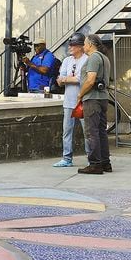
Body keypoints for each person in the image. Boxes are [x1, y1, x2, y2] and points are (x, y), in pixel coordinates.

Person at [77, 33, 111, 174]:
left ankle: (95, 164)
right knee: (101, 131)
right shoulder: (104, 58)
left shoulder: (93, 58)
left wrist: (80, 94)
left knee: (91, 132)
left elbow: (90, 80)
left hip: (92, 98)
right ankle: (105, 162)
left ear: (90, 45)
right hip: (103, 98)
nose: (83, 46)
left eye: (84, 44)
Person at [53, 33, 88, 167]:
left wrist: (66, 79)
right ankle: (66, 158)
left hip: (82, 101)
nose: (70, 47)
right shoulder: (67, 60)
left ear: (80, 46)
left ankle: (91, 157)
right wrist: (64, 80)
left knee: (87, 131)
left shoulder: (86, 59)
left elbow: (81, 79)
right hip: (68, 101)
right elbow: (59, 79)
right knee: (67, 130)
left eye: (73, 45)